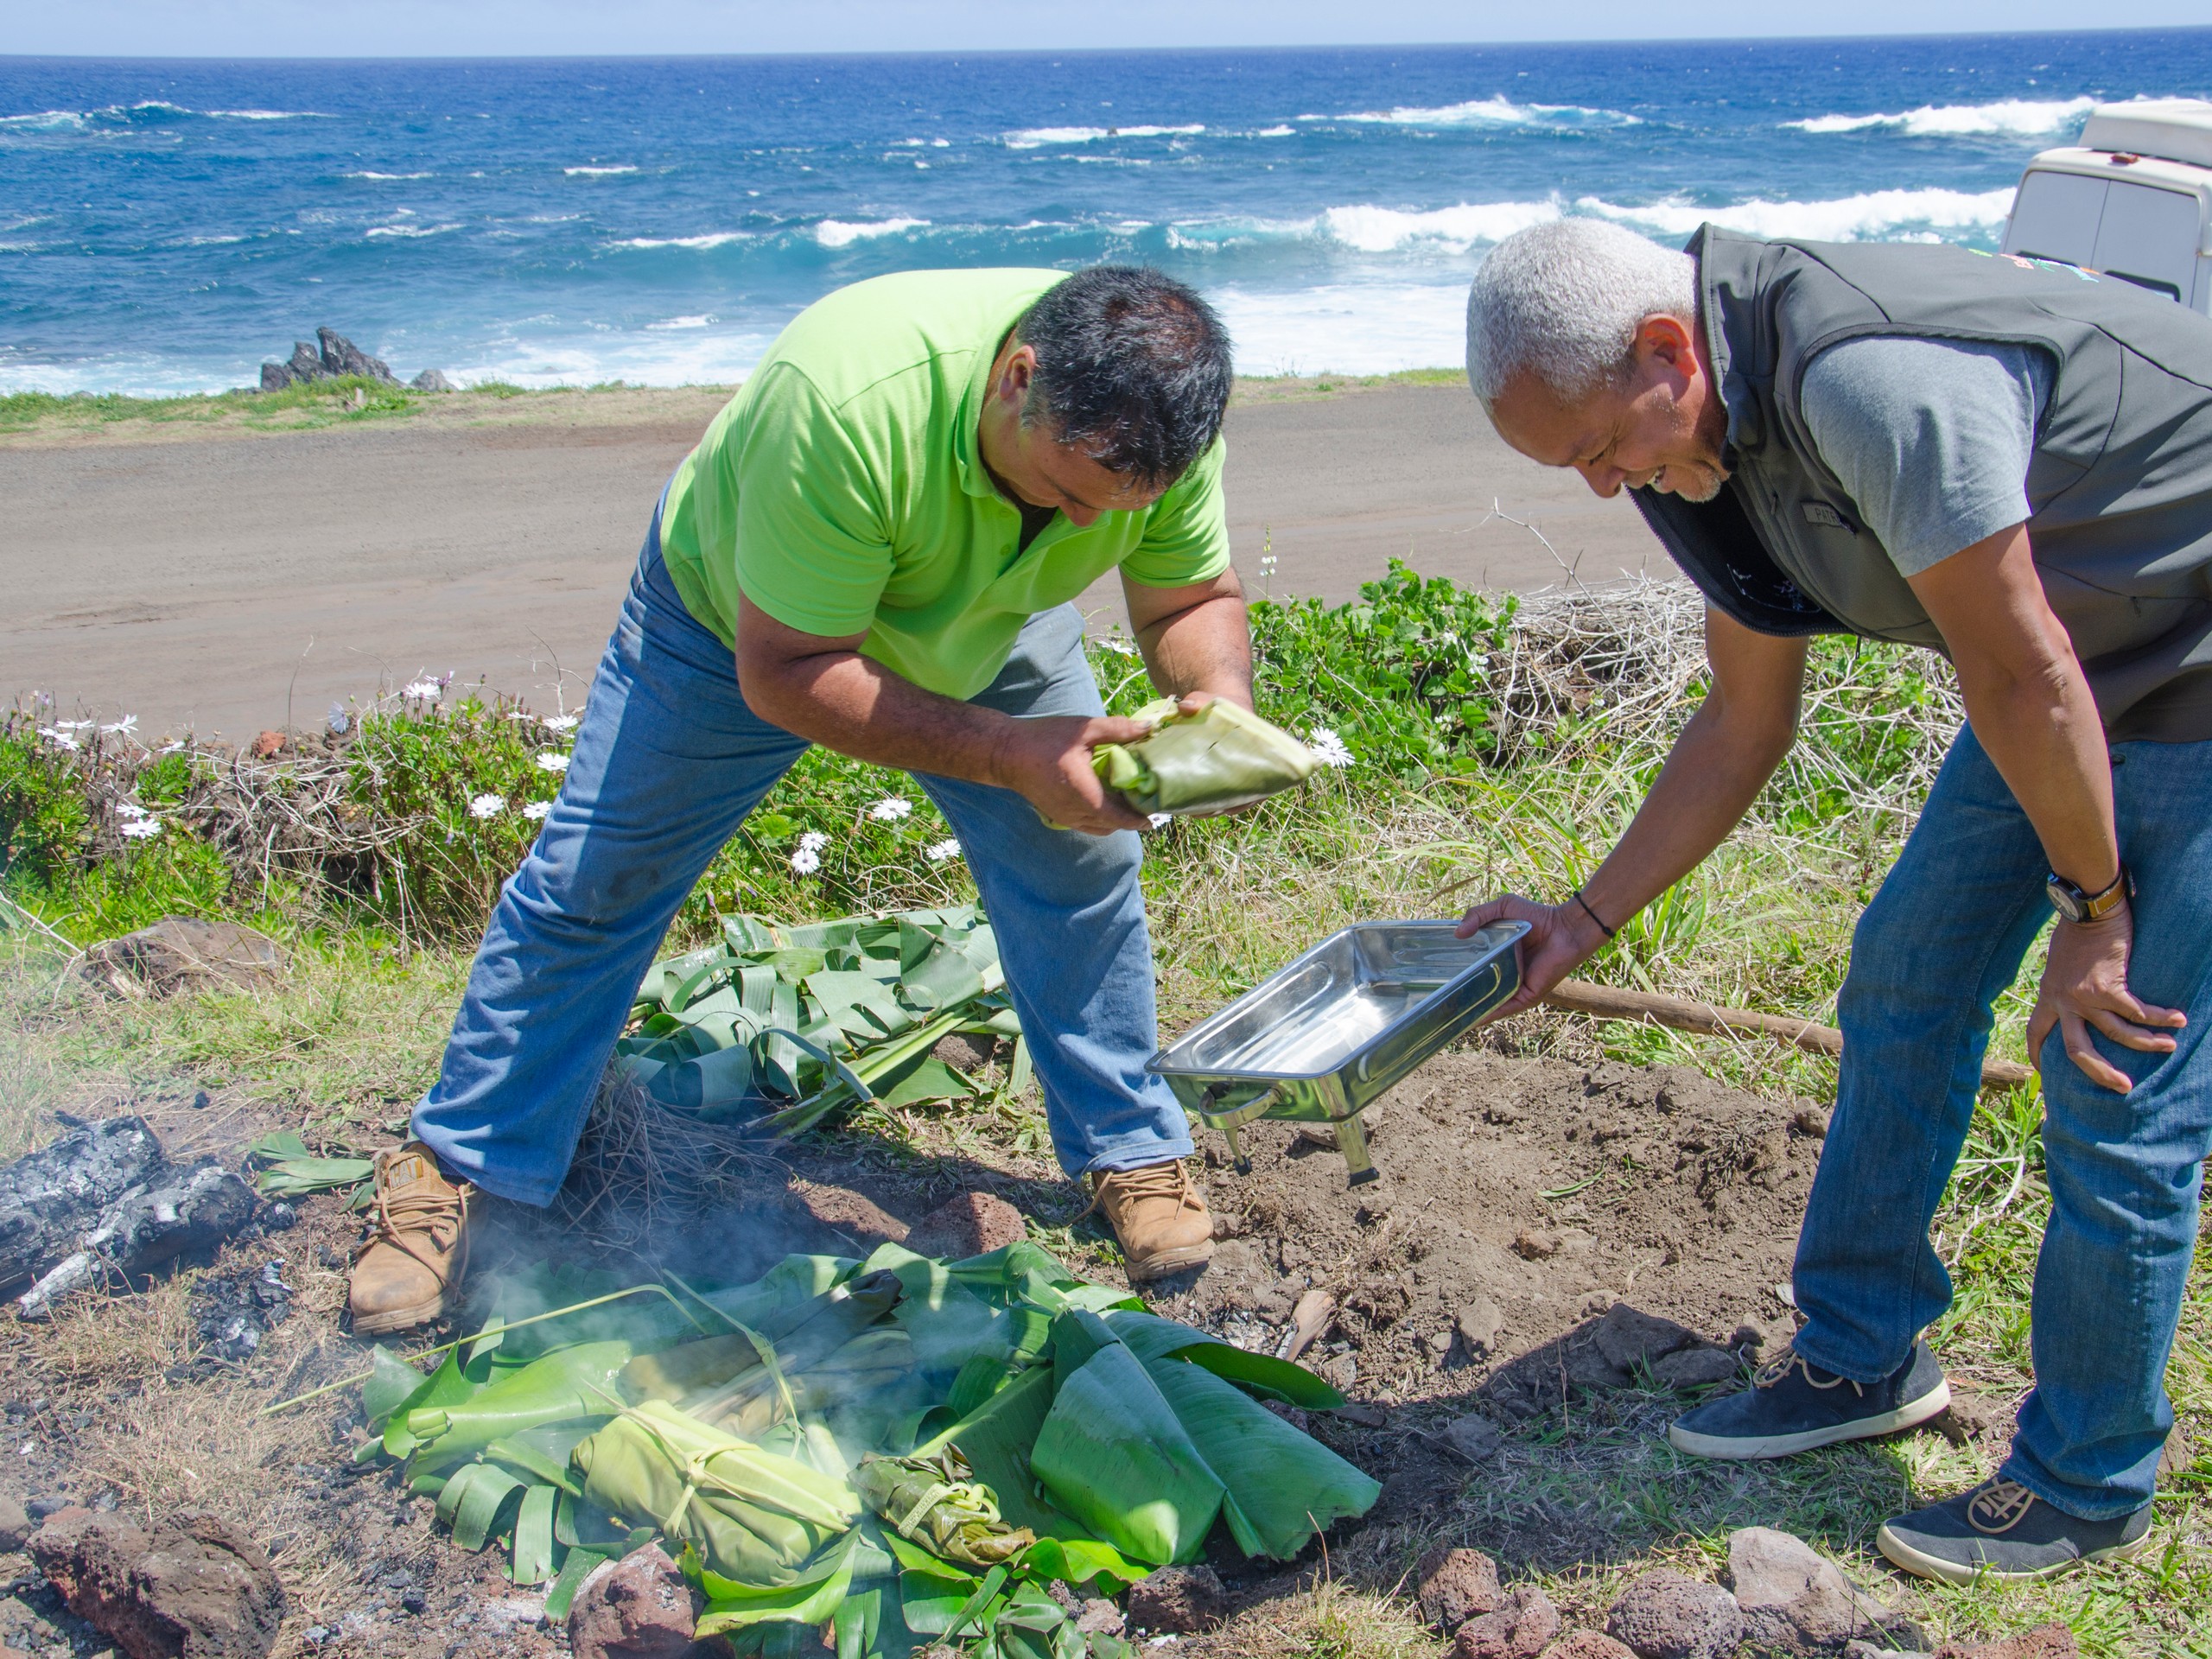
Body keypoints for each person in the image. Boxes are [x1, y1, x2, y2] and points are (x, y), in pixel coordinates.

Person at [1457, 217, 2212, 1583]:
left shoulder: (1872, 378)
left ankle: (2090, 1474)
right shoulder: (1704, 445)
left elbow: (2021, 671)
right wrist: (1581, 919)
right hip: (2064, 663)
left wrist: (2094, 912)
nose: (1601, 487)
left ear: (1666, 351)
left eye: (1595, 452)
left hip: (2187, 653)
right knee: (1907, 976)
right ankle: (1863, 1361)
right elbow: (1747, 721)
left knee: (2115, 1061)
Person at [349, 264, 1255, 1331]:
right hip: (740, 624)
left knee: (1083, 862)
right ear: (1018, 377)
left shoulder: (1148, 425)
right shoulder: (843, 402)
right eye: (1061, 496)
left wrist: (1213, 709)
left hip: (995, 616)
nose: (1077, 522)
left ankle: (1130, 1149)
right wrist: (1012, 753)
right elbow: (786, 671)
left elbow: (1189, 594)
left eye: (1106, 513)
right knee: (598, 877)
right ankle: (459, 1163)